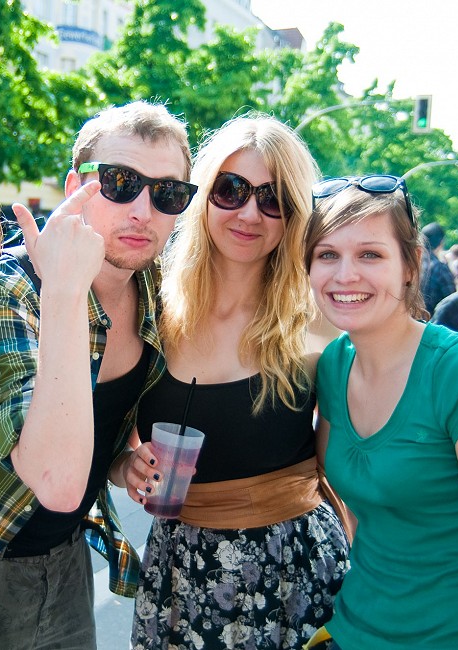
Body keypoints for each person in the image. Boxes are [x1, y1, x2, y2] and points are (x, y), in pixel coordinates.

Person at [0, 101, 196, 649]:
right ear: (75, 184)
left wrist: (123, 460)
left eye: (168, 193)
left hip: (71, 558)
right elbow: (50, 472)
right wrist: (63, 289)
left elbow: (97, 426)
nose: (143, 211)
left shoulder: (155, 293)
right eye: (121, 182)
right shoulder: (11, 289)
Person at [115, 114, 349, 650]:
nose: (250, 213)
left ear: (294, 216)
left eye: (274, 199)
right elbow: (111, 432)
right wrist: (123, 463)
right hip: (178, 566)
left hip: (290, 569)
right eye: (232, 189)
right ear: (203, 197)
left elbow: (352, 470)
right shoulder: (150, 308)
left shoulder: (317, 323)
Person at [305, 177, 458, 648]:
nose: (344, 274)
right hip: (349, 630)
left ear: (411, 265)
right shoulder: (334, 363)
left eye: (370, 255)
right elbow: (358, 513)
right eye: (326, 254)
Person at [419, 221, 456, 315]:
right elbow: (451, 300)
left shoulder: (410, 264)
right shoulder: (440, 268)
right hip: (432, 322)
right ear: (441, 242)